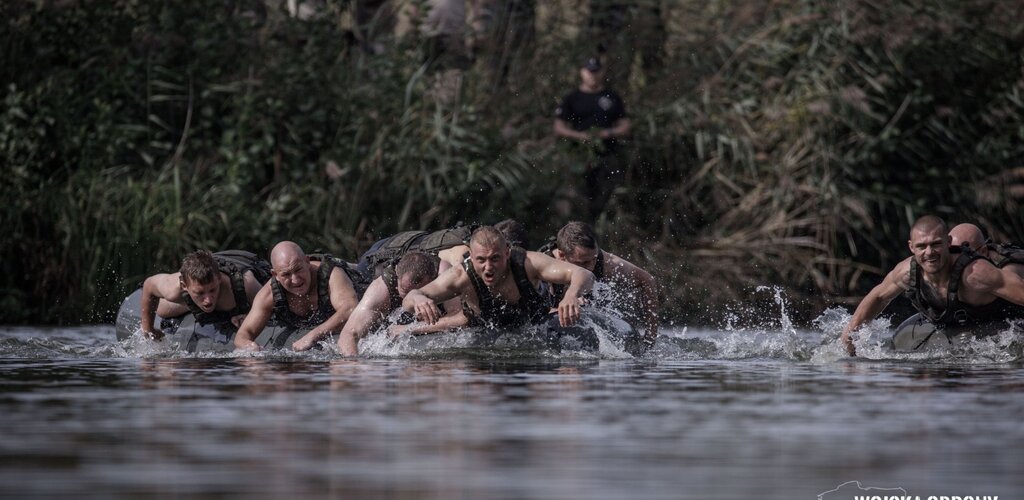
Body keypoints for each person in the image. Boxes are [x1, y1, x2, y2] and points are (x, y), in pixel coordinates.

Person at [840, 216, 1024, 356]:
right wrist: (850, 334)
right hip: (956, 321)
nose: (929, 253)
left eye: (936, 244)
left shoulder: (976, 274)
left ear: (948, 243)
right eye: (922, 246)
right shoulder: (905, 272)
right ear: (912, 247)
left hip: (1006, 315)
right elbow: (879, 296)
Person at [403, 226, 594, 329]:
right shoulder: (460, 276)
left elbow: (583, 273)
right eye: (481, 260)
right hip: (483, 336)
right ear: (471, 257)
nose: (488, 267)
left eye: (495, 258)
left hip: (538, 327)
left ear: (507, 253)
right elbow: (411, 298)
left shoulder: (529, 263)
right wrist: (419, 298)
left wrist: (571, 295)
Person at [542, 221, 658, 347]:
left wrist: (650, 336)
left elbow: (647, 280)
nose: (590, 268)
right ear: (561, 255)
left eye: (594, 259)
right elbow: (532, 313)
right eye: (583, 263)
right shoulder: (542, 267)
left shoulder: (606, 263)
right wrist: (565, 307)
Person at [234, 242, 363, 351]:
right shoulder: (269, 293)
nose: (295, 280)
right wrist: (250, 347)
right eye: (286, 274)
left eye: (298, 270)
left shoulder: (331, 275)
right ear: (275, 275)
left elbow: (350, 309)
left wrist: (312, 335)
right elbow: (243, 334)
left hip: (359, 284)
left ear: (307, 261)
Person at [338, 251, 466, 356]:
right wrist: (353, 367)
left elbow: (462, 318)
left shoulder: (444, 273)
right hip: (378, 253)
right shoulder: (381, 287)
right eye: (405, 290)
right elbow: (349, 334)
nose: (411, 296)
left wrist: (408, 329)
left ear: (432, 280)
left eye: (417, 290)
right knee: (361, 272)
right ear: (397, 277)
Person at [553, 56, 630, 221]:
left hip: (607, 154)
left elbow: (625, 126)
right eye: (589, 71)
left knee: (606, 197)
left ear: (602, 73)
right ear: (582, 72)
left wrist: (606, 133)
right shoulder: (572, 98)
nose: (592, 75)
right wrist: (579, 136)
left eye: (596, 71)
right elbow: (559, 127)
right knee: (578, 197)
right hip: (579, 156)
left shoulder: (611, 97)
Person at [140, 250, 271, 339]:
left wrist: (248, 314)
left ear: (219, 279)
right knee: (163, 311)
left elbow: (268, 304)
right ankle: (195, 303)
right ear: (184, 286)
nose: (208, 300)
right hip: (193, 286)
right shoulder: (172, 288)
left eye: (213, 290)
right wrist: (149, 329)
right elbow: (148, 286)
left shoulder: (245, 285)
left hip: (247, 263)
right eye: (200, 293)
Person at [949, 223, 1024, 277]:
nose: (956, 262)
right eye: (952, 253)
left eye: (963, 256)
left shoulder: (1008, 272)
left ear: (983, 251)